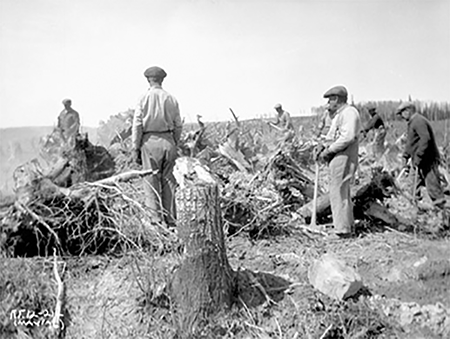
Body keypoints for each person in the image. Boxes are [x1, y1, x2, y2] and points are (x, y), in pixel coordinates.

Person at [132, 66, 183, 227]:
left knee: (151, 180)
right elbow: (178, 125)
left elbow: (137, 125)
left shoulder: (143, 98)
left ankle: (155, 221)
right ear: (162, 80)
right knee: (169, 180)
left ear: (148, 80)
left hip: (149, 141)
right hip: (168, 140)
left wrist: (136, 147)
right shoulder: (171, 99)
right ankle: (170, 219)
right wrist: (174, 142)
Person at [316, 85, 362, 239]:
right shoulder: (339, 115)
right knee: (340, 191)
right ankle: (346, 227)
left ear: (336, 99)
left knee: (338, 191)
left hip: (344, 155)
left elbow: (348, 137)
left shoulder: (349, 112)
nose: (329, 103)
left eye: (330, 100)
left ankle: (342, 231)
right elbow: (332, 135)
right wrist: (322, 145)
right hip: (338, 155)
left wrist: (329, 150)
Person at [396, 102, 445, 208]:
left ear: (407, 111)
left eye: (402, 113)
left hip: (428, 160)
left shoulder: (418, 121)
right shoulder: (412, 122)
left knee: (433, 189)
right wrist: (406, 155)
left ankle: (444, 214)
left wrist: (418, 156)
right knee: (412, 187)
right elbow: (412, 142)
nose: (401, 117)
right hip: (418, 161)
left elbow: (425, 139)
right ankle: (416, 211)